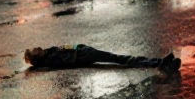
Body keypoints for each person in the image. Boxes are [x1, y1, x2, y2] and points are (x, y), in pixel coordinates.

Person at [25, 44, 180, 75]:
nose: (37, 47)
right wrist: (81, 52)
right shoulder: (50, 58)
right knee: (121, 59)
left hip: (86, 52)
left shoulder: (49, 53)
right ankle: (161, 64)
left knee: (120, 58)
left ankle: (161, 62)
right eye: (35, 50)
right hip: (87, 55)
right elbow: (69, 59)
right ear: (37, 57)